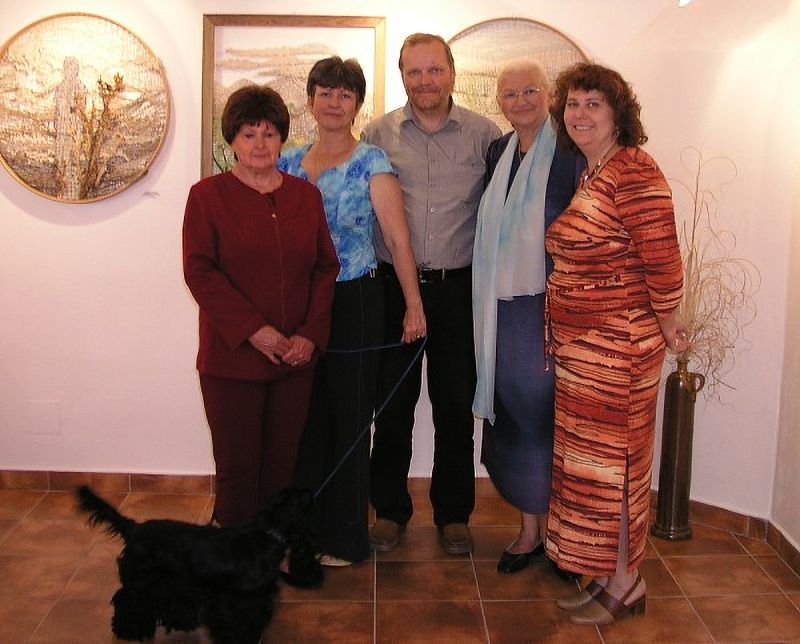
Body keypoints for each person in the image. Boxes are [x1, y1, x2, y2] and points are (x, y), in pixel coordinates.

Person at [544, 62, 688, 624]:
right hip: (587, 353)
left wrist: (670, 319)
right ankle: (605, 572)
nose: (579, 114)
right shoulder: (594, 172)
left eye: (593, 104)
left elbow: (663, 259)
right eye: (573, 104)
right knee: (592, 469)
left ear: (617, 114)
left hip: (620, 352)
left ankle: (628, 582)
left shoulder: (634, 171)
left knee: (619, 466)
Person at [278, 57, 426, 566]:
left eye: (345, 94)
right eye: (325, 93)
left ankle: (344, 539)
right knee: (305, 418)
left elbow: (398, 240)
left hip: (355, 300)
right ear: (310, 100)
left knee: (349, 419)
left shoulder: (372, 162)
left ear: (358, 104)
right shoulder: (287, 162)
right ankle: (304, 533)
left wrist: (413, 305)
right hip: (299, 305)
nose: (334, 103)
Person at [363, 33, 501, 555]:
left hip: (458, 290)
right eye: (415, 71)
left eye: (434, 69)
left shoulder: (485, 136)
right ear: (402, 76)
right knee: (392, 406)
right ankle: (389, 511)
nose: (425, 80)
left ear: (452, 73)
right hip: (394, 290)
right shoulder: (376, 135)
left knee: (454, 406)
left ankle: (453, 514)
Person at [183, 85, 339, 527]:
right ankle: (234, 556)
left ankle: (273, 552)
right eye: (249, 134)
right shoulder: (207, 196)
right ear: (232, 139)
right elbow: (200, 271)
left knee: (283, 469)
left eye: (269, 134)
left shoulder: (305, 196)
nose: (259, 144)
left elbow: (325, 268)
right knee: (238, 470)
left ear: (282, 138)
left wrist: (309, 336)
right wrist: (256, 331)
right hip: (231, 361)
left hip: (295, 360)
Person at [472, 59, 581, 574]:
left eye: (530, 90)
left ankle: (563, 540)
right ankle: (529, 531)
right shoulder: (498, 152)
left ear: (549, 94)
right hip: (500, 310)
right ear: (500, 102)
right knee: (515, 415)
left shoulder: (570, 153)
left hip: (552, 310)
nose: (521, 101)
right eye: (510, 94)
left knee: (551, 417)